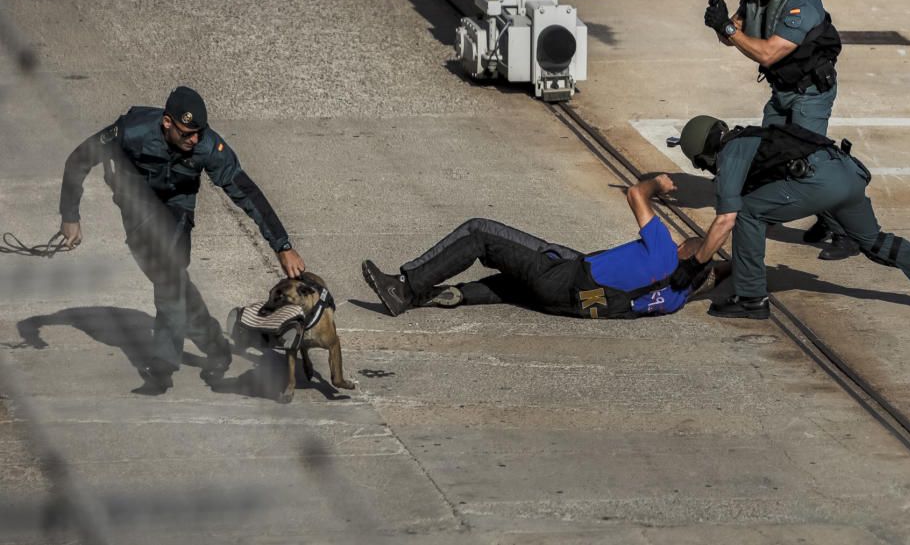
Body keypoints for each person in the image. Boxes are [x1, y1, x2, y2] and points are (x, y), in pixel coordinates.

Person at [56, 86, 305, 394]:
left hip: (177, 205)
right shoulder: (131, 131)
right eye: (187, 133)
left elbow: (247, 193)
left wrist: (282, 245)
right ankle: (214, 344)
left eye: (199, 132)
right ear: (167, 123)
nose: (194, 140)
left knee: (168, 276)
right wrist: (70, 216)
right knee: (171, 280)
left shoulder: (208, 146)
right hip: (135, 202)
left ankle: (161, 367)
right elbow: (79, 159)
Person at [667, 115, 910, 319]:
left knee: (746, 213)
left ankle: (751, 299)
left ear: (703, 154)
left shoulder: (730, 154)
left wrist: (696, 264)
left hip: (818, 183)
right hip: (848, 172)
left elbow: (726, 219)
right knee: (873, 241)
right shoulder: (755, 136)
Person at [361, 175, 728, 319]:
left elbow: (635, 194)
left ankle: (404, 287)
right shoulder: (676, 298)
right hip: (569, 304)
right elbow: (708, 269)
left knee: (479, 232)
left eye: (685, 243)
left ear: (684, 251)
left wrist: (656, 186)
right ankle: (455, 294)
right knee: (514, 284)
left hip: (562, 278)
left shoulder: (665, 251)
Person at [703, 0, 858, 261]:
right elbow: (734, 35)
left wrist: (729, 29)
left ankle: (847, 233)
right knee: (772, 156)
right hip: (783, 90)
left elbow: (767, 51)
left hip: (810, 93)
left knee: (810, 161)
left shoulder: (803, 4)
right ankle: (823, 216)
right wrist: (719, 22)